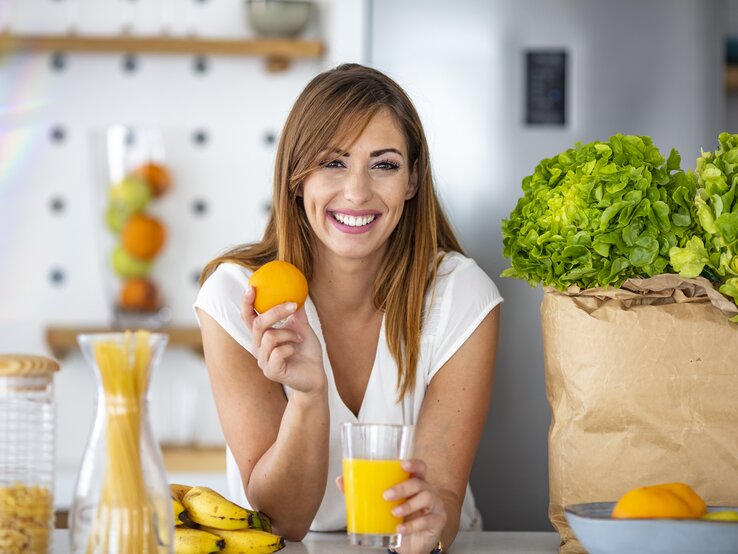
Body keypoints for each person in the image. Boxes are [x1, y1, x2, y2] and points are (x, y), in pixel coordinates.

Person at [194, 63, 502, 554]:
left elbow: (440, 495)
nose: (357, 191)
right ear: (297, 177)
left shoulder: (459, 295)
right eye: (333, 163)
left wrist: (429, 527)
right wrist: (310, 396)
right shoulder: (235, 296)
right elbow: (282, 522)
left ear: (413, 179)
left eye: (384, 164)